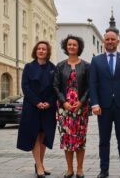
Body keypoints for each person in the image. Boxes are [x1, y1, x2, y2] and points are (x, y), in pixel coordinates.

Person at [89, 30, 120, 178]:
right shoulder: (96, 61)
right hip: (103, 107)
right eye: (107, 39)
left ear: (118, 41)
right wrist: (95, 104)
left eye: (113, 39)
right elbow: (93, 84)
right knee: (104, 140)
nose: (110, 42)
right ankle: (104, 170)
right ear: (104, 42)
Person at [17, 41, 57, 178]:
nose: (41, 51)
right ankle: (39, 165)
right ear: (35, 51)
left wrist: (49, 103)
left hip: (48, 108)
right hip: (32, 107)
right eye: (39, 49)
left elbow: (55, 88)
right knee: (35, 135)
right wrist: (37, 102)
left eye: (44, 49)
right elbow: (25, 87)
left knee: (44, 135)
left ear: (47, 52)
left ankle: (40, 163)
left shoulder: (53, 68)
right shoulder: (28, 67)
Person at [54, 35, 90, 178]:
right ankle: (70, 169)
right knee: (67, 139)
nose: (71, 47)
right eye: (69, 44)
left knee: (80, 139)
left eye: (74, 45)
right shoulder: (60, 66)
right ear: (65, 46)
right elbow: (56, 86)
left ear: (79, 47)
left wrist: (81, 101)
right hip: (65, 109)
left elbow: (89, 87)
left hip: (81, 108)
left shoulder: (86, 66)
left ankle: (80, 169)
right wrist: (64, 102)